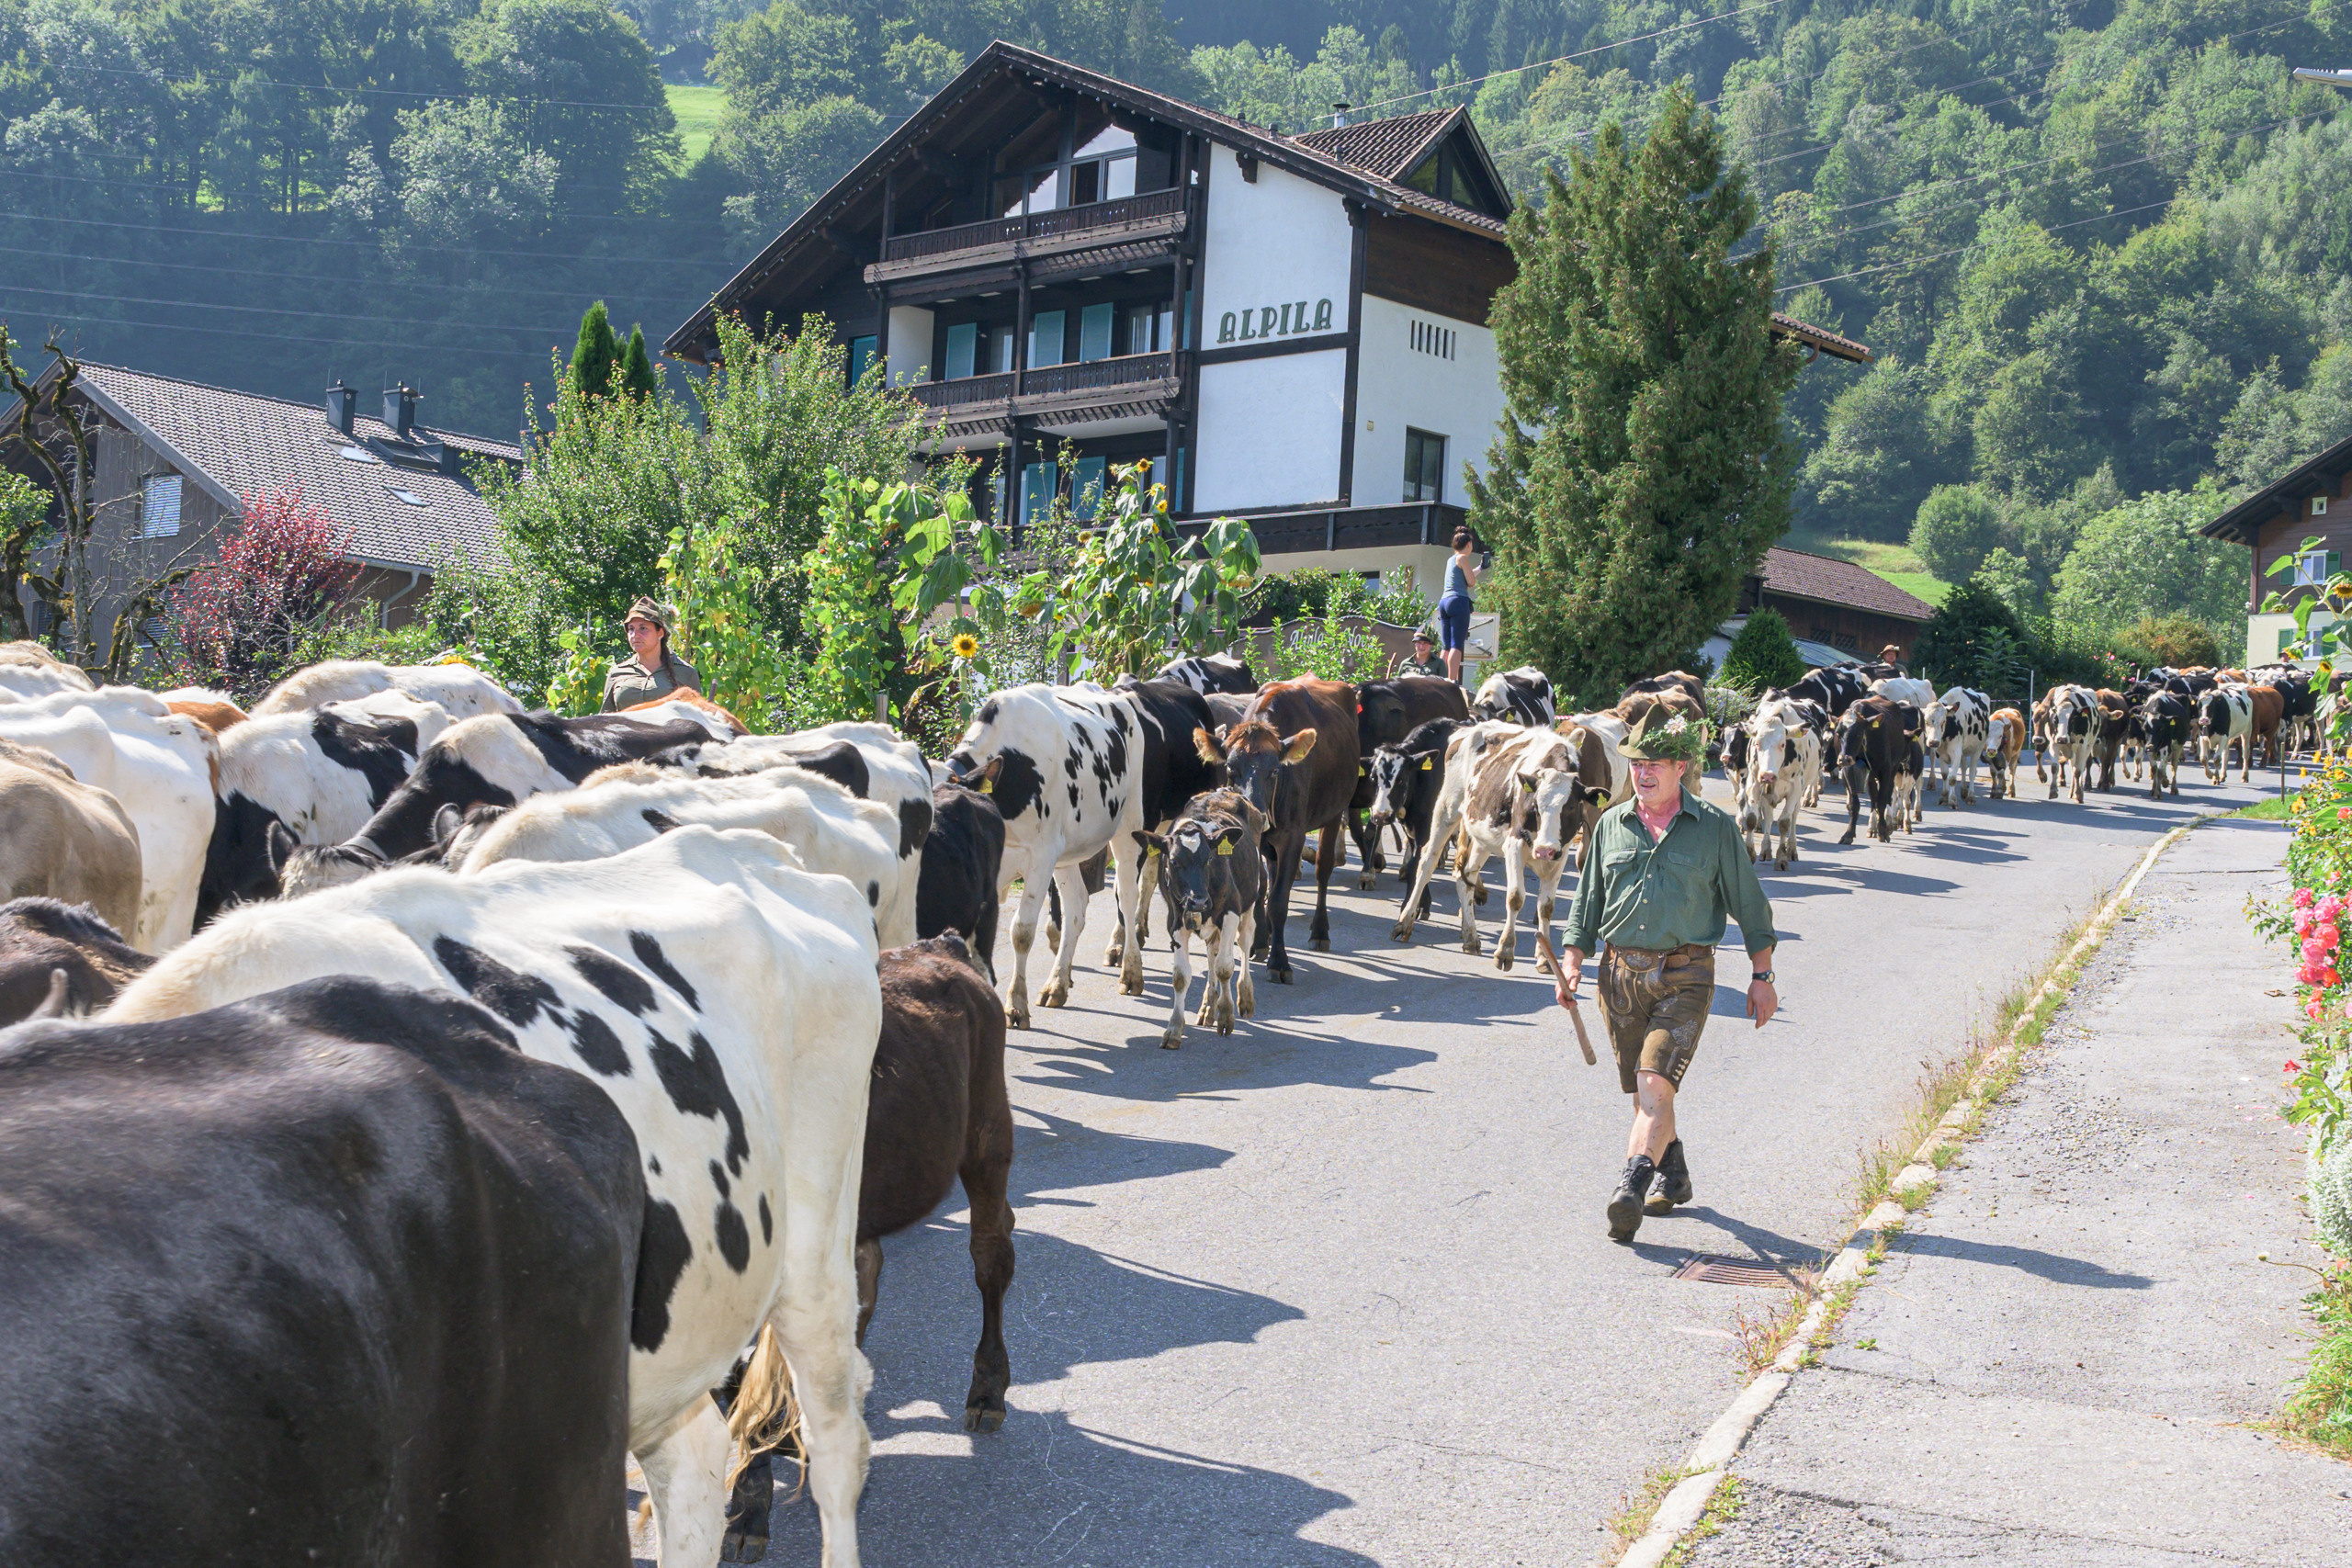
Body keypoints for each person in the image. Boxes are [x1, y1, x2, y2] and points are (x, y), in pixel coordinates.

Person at [1555, 706, 1779, 1243]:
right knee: (1649, 1095)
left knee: (1654, 1084)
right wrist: (1571, 962)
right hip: (1619, 979)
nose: (1643, 773)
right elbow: (1586, 903)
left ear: (1682, 766)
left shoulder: (1715, 829)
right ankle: (1673, 1175)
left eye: (1656, 763)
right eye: (1636, 763)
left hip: (1686, 976)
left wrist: (1762, 975)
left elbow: (1750, 905)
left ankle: (1630, 1188)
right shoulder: (1611, 823)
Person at [601, 595, 700, 713]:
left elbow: (698, 720)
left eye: (643, 628)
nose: (635, 635)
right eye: (631, 629)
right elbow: (605, 719)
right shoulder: (617, 673)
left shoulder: (685, 673)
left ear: (660, 633)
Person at [1437, 528, 1478, 684]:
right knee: (1457, 644)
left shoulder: (1451, 560)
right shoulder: (1463, 558)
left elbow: (1463, 580)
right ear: (1468, 544)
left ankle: (1440, 678)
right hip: (1458, 602)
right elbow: (1471, 582)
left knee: (1446, 645)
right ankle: (1452, 680)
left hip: (1445, 601)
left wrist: (1480, 568)